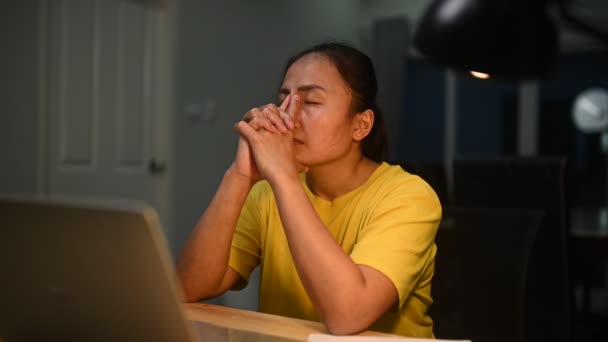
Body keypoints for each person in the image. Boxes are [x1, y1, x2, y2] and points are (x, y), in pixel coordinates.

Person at [176, 41, 441, 337]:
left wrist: (283, 177)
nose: (290, 116)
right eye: (284, 99)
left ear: (361, 125)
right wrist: (239, 175)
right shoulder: (266, 192)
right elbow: (187, 288)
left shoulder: (410, 197)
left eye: (311, 102)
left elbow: (348, 315)